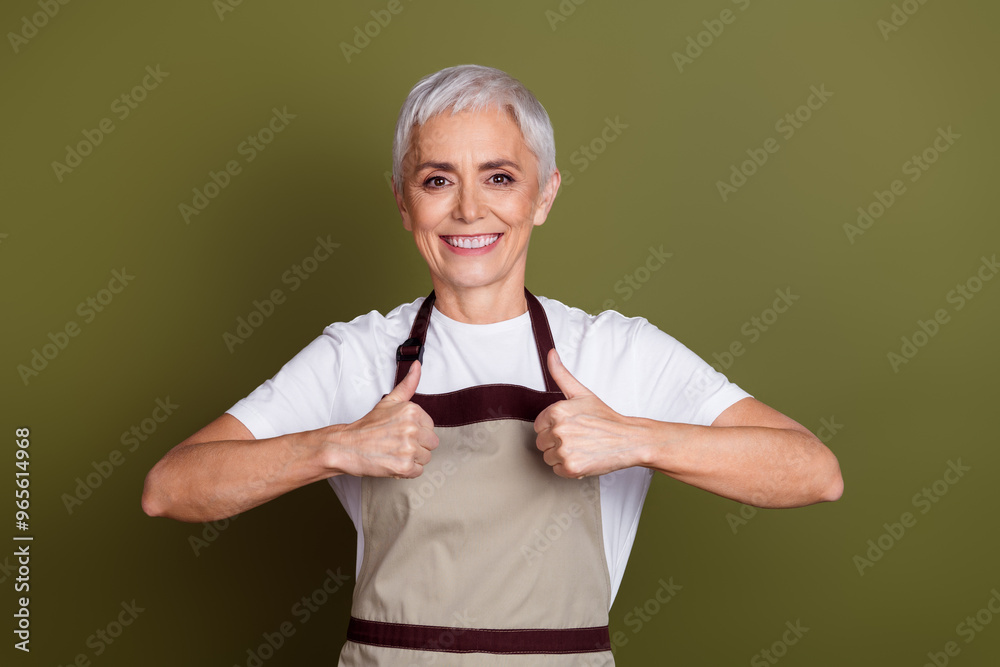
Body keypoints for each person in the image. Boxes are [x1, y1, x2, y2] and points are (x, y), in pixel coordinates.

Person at [142, 64, 843, 666]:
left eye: (500, 177)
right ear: (402, 199)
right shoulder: (358, 354)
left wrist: (634, 438)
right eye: (438, 179)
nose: (469, 208)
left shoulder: (613, 350)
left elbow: (813, 471)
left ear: (544, 195)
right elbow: (170, 488)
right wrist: (336, 445)